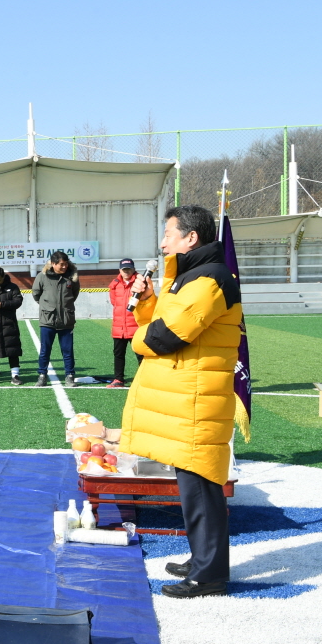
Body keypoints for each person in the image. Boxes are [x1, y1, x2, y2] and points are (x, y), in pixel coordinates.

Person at [122, 206, 242, 599]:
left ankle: (209, 576)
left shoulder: (212, 278)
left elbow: (167, 334)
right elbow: (158, 318)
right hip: (185, 396)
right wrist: (145, 300)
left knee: (202, 489)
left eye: (168, 234)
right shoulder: (190, 276)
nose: (162, 242)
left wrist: (138, 341)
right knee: (192, 487)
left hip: (196, 399)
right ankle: (201, 560)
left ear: (191, 238)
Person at [32, 251, 80, 388]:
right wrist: (47, 306)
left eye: (66, 264)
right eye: (61, 264)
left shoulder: (72, 277)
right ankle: (42, 375)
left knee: (68, 351)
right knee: (45, 350)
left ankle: (70, 376)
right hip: (48, 320)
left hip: (66, 320)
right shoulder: (42, 276)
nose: (64, 267)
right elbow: (36, 294)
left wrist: (65, 307)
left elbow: (74, 293)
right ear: (53, 264)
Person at [107, 259, 143, 388]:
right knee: (118, 354)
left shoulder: (140, 283)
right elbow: (114, 302)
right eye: (124, 269)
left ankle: (143, 379)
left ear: (133, 269)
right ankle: (118, 379)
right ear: (119, 270)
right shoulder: (115, 284)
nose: (126, 271)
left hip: (136, 326)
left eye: (128, 268)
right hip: (119, 326)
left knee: (141, 354)